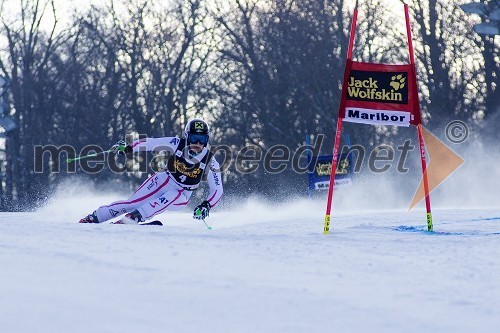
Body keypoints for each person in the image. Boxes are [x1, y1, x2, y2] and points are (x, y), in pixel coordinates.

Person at [78, 119, 223, 225]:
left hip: (182, 196)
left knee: (174, 194)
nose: (197, 144)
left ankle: (136, 217)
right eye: (194, 138)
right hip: (164, 180)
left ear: (207, 140)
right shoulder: (176, 143)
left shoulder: (210, 161)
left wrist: (206, 205)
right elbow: (151, 143)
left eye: (202, 139)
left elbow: (217, 190)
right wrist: (129, 148)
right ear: (187, 137)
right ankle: (94, 217)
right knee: (132, 203)